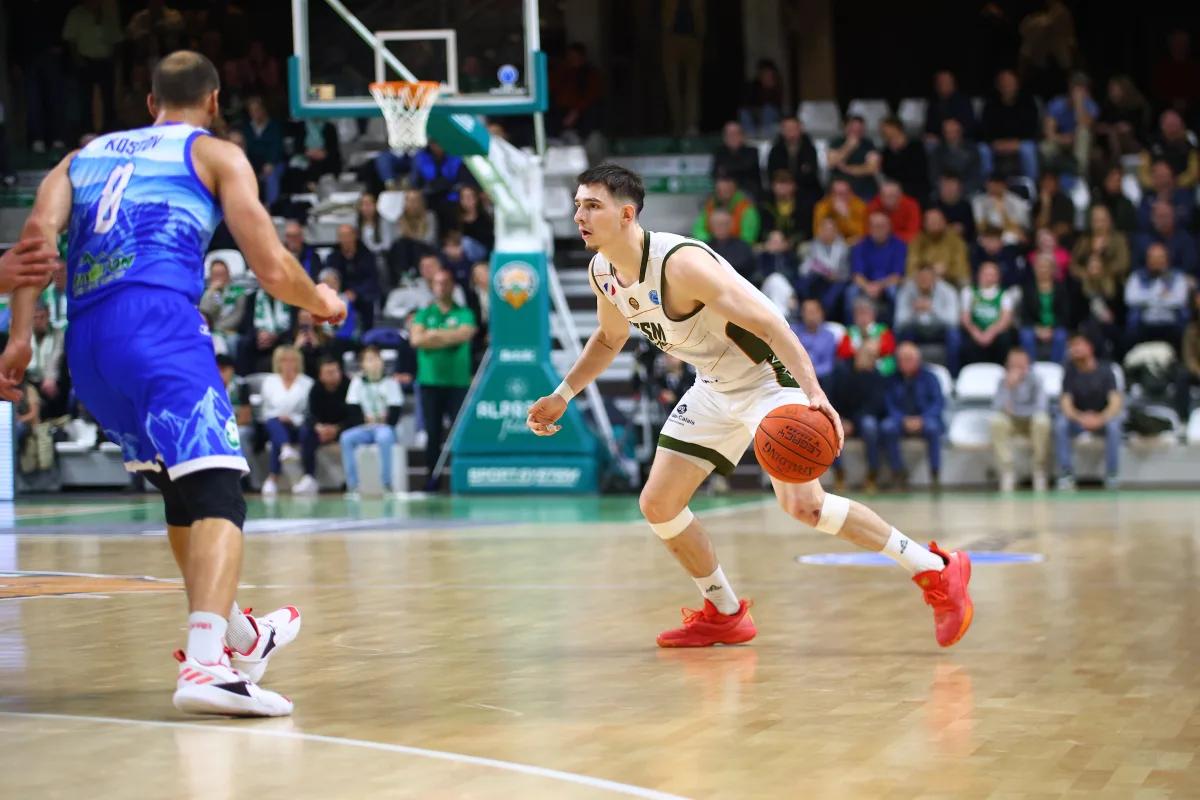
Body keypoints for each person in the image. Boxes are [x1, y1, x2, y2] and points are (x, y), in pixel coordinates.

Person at [0, 52, 345, 716]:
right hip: (156, 324)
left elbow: (35, 244)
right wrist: (321, 301)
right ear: (213, 102)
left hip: (87, 343)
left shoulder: (78, 160)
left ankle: (246, 635)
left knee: (183, 494)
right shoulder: (215, 153)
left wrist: (18, 336)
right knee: (219, 490)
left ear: (151, 103)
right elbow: (271, 266)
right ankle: (208, 664)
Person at [533, 163, 973, 646]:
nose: (580, 214)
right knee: (657, 503)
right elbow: (609, 338)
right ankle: (724, 611)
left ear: (626, 214)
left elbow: (772, 323)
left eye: (592, 205)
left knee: (804, 506)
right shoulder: (603, 272)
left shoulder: (680, 264)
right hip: (714, 384)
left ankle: (937, 570)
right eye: (577, 205)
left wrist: (814, 394)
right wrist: (562, 395)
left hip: (767, 378)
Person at [410, 270, 477, 492]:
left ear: (451, 286)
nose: (441, 287)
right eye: (437, 283)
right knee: (433, 432)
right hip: (430, 382)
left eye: (445, 283)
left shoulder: (465, 312)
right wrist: (449, 335)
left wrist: (433, 336)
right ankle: (433, 478)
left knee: (460, 431)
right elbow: (416, 339)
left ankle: (462, 476)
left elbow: (465, 334)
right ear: (432, 287)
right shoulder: (424, 313)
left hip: (458, 382)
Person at [1056, 334, 1123, 490]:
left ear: (1090, 348)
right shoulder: (1070, 372)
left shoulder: (1106, 371)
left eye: (1078, 345)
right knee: (1061, 424)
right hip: (1079, 421)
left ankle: (1112, 474)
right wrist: (1081, 418)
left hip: (1101, 420)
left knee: (1114, 426)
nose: (1075, 349)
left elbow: (1115, 402)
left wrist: (1101, 418)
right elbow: (1066, 404)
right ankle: (1066, 473)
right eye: (1072, 346)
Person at [340, 347, 405, 498]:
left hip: (384, 428)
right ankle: (353, 486)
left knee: (384, 437)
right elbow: (352, 410)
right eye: (369, 360)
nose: (374, 363)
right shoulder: (357, 383)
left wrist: (383, 420)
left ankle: (386, 484)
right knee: (346, 438)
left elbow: (395, 413)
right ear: (362, 365)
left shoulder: (391, 383)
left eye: (377, 359)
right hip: (364, 428)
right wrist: (365, 420)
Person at [881, 342, 946, 489]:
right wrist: (902, 419)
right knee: (887, 427)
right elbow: (888, 404)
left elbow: (938, 403)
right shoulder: (892, 379)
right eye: (902, 359)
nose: (905, 362)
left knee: (933, 428)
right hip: (901, 420)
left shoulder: (931, 378)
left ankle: (935, 473)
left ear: (918, 359)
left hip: (925, 419)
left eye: (909, 358)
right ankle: (898, 472)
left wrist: (922, 419)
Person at [991, 347, 1051, 494]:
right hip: (1012, 424)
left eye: (1021, 362)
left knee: (1042, 420)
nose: (1017, 366)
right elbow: (997, 407)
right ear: (1007, 364)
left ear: (1028, 363)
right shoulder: (1002, 381)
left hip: (1031, 423)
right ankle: (1007, 471)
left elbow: (1041, 407)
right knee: (996, 421)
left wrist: (1017, 411)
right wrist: (1009, 387)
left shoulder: (1036, 380)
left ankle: (1038, 469)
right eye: (1014, 363)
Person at [831, 341, 888, 493]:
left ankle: (872, 474)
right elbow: (832, 397)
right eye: (869, 355)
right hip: (842, 416)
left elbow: (877, 406)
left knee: (870, 426)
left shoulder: (876, 375)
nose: (872, 359)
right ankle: (839, 474)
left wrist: (854, 423)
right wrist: (841, 419)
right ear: (858, 353)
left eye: (875, 357)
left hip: (862, 419)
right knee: (832, 427)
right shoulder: (841, 371)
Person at [260, 345, 315, 499]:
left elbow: (309, 413)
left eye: (292, 360)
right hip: (275, 424)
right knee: (274, 423)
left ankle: (273, 478)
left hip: (298, 425)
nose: (288, 364)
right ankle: (285, 448)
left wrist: (293, 419)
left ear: (298, 362)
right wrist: (280, 417)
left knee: (298, 431)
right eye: (284, 360)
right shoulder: (270, 381)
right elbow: (265, 411)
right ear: (278, 362)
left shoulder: (307, 383)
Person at [297, 356, 351, 495]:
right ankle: (309, 476)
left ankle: (350, 481)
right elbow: (309, 414)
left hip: (343, 428)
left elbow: (355, 416)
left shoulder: (349, 386)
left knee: (350, 435)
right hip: (322, 429)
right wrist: (318, 427)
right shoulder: (315, 388)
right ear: (321, 375)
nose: (332, 376)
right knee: (305, 433)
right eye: (328, 373)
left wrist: (337, 429)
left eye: (335, 372)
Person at [894, 263, 961, 374]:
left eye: (927, 278)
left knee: (954, 335)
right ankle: (903, 375)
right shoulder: (906, 291)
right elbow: (899, 322)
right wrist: (913, 312)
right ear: (915, 278)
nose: (924, 281)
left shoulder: (948, 291)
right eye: (921, 278)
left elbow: (953, 321)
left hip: (940, 331)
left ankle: (952, 376)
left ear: (935, 278)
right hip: (915, 330)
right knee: (903, 333)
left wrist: (932, 309)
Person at [1124, 242, 1190, 353]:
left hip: (1171, 323)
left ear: (1167, 259)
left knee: (1184, 333)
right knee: (1129, 336)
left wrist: (1146, 297)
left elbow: (1179, 300)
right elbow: (1130, 299)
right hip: (1144, 323)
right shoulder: (1136, 276)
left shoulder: (1178, 277)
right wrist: (1161, 296)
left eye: (1160, 257)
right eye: (1153, 257)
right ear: (1147, 260)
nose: (1156, 261)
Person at [979, 69, 1040, 180]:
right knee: (982, 150)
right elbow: (984, 128)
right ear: (998, 85)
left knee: (1028, 149)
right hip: (996, 143)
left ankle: (1032, 185)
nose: (1007, 85)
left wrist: (1016, 143)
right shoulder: (990, 104)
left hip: (1020, 143)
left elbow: (1032, 128)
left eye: (1010, 82)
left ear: (1017, 84)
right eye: (1004, 82)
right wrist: (994, 142)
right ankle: (987, 184)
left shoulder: (1028, 102)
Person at [847, 211, 906, 318]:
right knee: (851, 292)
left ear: (889, 227)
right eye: (875, 226)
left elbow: (897, 276)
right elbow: (857, 275)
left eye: (882, 226)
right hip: (866, 285)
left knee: (895, 292)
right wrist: (867, 287)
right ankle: (851, 330)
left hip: (888, 285)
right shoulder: (860, 245)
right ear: (869, 228)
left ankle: (894, 331)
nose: (878, 229)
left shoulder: (899, 245)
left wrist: (879, 286)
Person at [1018, 253, 1071, 364]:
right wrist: (1037, 329)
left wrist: (1051, 328)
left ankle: (1055, 366)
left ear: (1052, 269)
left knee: (1060, 336)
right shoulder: (1028, 288)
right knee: (1026, 335)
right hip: (1034, 326)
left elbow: (1065, 314)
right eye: (1039, 267)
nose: (1042, 270)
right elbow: (1024, 314)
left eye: (1046, 267)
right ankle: (1029, 366)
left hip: (1055, 326)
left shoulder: (1061, 288)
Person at [960, 261, 1016, 366]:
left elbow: (1005, 320)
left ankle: (1001, 369)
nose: (988, 277)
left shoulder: (1005, 294)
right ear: (979, 275)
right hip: (975, 331)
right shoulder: (968, 292)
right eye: (985, 274)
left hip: (995, 333)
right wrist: (975, 333)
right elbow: (965, 318)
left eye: (992, 275)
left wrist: (991, 332)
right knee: (964, 340)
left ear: (997, 277)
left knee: (1005, 338)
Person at [326, 224, 380, 332]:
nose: (345, 239)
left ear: (354, 236)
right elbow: (329, 277)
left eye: (348, 236)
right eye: (342, 236)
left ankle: (365, 335)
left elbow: (372, 280)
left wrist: (355, 292)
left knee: (367, 302)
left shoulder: (367, 256)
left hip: (362, 295)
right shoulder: (333, 257)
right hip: (340, 295)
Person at [549, 42, 604, 140]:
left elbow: (591, 96)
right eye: (569, 57)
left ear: (582, 57)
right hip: (561, 112)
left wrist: (576, 112)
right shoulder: (562, 72)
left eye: (575, 56)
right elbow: (552, 89)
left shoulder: (590, 74)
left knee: (592, 112)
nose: (572, 59)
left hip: (582, 113)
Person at [799, 216, 851, 317]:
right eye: (824, 229)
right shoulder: (811, 246)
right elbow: (804, 269)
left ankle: (823, 314)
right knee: (804, 284)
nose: (827, 232)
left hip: (837, 281)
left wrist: (836, 276)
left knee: (834, 293)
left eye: (830, 230)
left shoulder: (844, 249)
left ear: (836, 232)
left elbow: (847, 273)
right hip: (818, 279)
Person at [766, 117, 822, 209]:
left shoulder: (809, 149)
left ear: (801, 129)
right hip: (782, 188)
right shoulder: (775, 150)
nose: (791, 132)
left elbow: (812, 173)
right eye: (787, 129)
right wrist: (785, 186)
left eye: (794, 128)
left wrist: (793, 185)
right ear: (782, 131)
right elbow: (772, 173)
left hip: (805, 189)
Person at [906, 208, 969, 287]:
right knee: (908, 284)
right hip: (922, 282)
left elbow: (962, 269)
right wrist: (930, 272)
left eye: (938, 220)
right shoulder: (917, 242)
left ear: (944, 222)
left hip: (950, 282)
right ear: (924, 224)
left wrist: (947, 271)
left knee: (965, 283)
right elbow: (911, 268)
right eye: (931, 221)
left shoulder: (956, 241)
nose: (935, 223)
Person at [692, 173, 760, 244]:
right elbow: (698, 230)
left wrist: (729, 244)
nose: (724, 194)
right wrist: (712, 242)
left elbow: (748, 238)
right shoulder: (710, 205)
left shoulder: (747, 209)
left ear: (734, 188)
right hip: (712, 247)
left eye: (727, 190)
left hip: (737, 250)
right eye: (720, 191)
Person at [1138, 110, 1198, 189]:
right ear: (1162, 126)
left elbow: (1194, 173)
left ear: (1182, 126)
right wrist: (1155, 183)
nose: (1173, 129)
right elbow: (1143, 172)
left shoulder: (1190, 147)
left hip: (1181, 190)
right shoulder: (1150, 145)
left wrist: (1175, 182)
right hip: (1155, 189)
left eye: (1176, 125)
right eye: (1169, 125)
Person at [199, 259, 248, 357]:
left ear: (228, 274)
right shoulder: (210, 293)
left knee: (231, 341)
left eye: (222, 274)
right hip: (212, 331)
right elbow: (203, 313)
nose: (219, 278)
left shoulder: (238, 292)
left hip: (230, 332)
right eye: (216, 275)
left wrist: (218, 329)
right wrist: (211, 291)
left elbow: (237, 316)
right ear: (211, 276)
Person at [241, 96, 284, 205]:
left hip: (273, 163)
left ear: (263, 109)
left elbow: (277, 147)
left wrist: (270, 163)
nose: (254, 113)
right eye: (252, 111)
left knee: (271, 176)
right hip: (252, 163)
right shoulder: (246, 128)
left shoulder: (274, 126)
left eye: (257, 110)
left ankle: (271, 207)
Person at [837, 297, 896, 376]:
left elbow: (888, 348)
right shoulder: (850, 331)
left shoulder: (882, 329)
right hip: (855, 367)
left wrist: (871, 351)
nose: (862, 317)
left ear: (873, 314)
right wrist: (862, 352)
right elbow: (843, 352)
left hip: (878, 365)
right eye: (859, 313)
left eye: (865, 313)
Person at [826, 115, 881, 200]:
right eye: (853, 127)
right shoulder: (836, 143)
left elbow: (872, 168)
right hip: (840, 187)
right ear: (846, 127)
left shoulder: (869, 144)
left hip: (864, 188)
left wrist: (848, 169)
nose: (856, 130)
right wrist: (848, 147)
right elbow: (831, 163)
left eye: (859, 128)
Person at [878, 117, 930, 202]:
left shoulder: (916, 146)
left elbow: (920, 171)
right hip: (896, 193)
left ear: (896, 128)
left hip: (917, 190)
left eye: (885, 128)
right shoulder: (886, 152)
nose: (882, 131)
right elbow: (887, 173)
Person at [1137, 159, 1195, 233]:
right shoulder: (1147, 199)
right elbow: (1142, 223)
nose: (1163, 181)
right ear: (1153, 180)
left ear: (1173, 178)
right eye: (1159, 177)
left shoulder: (1184, 196)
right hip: (1154, 240)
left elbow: (1188, 220)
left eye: (1165, 176)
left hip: (1181, 239)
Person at [929, 118, 983, 195]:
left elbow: (975, 175)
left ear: (961, 132)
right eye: (948, 132)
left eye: (955, 132)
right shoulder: (937, 151)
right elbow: (934, 175)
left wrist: (960, 189)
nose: (952, 135)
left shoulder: (972, 150)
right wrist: (947, 188)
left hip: (966, 189)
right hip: (944, 190)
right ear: (944, 134)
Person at [973, 174, 1030, 246]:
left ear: (1004, 185)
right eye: (990, 186)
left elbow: (1020, 227)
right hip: (989, 235)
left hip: (1010, 235)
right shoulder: (979, 201)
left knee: (1011, 237)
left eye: (996, 185)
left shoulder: (1016, 201)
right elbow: (980, 227)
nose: (993, 188)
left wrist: (1003, 212)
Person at [790, 299, 837, 386]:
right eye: (808, 312)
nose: (811, 316)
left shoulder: (829, 336)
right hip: (795, 374)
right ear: (802, 314)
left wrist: (811, 372)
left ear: (821, 314)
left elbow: (828, 364)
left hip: (819, 378)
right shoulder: (793, 331)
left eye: (814, 312)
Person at [759, 170, 811, 246]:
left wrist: (790, 241)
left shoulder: (803, 205)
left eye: (787, 183)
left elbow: (806, 231)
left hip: (796, 244)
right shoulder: (765, 205)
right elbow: (762, 231)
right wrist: (773, 238)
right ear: (773, 186)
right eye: (779, 183)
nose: (783, 187)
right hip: (771, 243)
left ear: (794, 186)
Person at [710, 121, 762, 198]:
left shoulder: (752, 151)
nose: (732, 137)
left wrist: (726, 170)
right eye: (729, 134)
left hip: (747, 190)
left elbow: (747, 169)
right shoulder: (719, 152)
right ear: (724, 138)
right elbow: (714, 174)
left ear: (742, 136)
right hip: (724, 191)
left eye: (735, 134)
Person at [924, 70, 976, 141]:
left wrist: (955, 130)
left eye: (946, 82)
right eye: (940, 82)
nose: (943, 85)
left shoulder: (963, 101)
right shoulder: (933, 103)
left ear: (953, 83)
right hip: (940, 139)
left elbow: (970, 125)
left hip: (962, 138)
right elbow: (929, 127)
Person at [738, 59, 784, 139]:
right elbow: (747, 104)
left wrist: (770, 88)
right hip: (756, 114)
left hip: (771, 117)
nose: (767, 77)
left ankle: (765, 137)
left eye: (769, 74)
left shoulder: (777, 87)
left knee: (768, 110)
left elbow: (776, 106)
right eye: (764, 74)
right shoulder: (754, 86)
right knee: (743, 112)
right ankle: (750, 137)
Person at [813, 179, 867, 245]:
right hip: (829, 245)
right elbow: (817, 233)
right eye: (839, 194)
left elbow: (862, 234)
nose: (843, 197)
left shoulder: (859, 205)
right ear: (831, 195)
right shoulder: (823, 206)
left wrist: (846, 217)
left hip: (852, 245)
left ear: (851, 193)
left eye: (846, 193)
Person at [1091, 165, 1138, 235]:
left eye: (1118, 181)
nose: (1116, 184)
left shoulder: (1126, 204)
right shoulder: (1096, 201)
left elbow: (1130, 229)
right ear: (1105, 180)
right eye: (1112, 180)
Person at [930, 173, 977, 241]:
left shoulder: (966, 206)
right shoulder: (933, 206)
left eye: (952, 185)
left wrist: (963, 229)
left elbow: (972, 231)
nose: (948, 189)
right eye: (945, 185)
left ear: (960, 188)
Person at [1031, 171, 1076, 243]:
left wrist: (1049, 232)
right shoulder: (1037, 203)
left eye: (1050, 181)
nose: (1046, 184)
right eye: (1044, 181)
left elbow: (1066, 228)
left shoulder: (1065, 201)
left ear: (1057, 183)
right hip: (1042, 242)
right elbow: (1039, 227)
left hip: (1061, 242)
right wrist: (1045, 205)